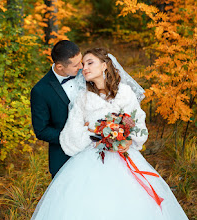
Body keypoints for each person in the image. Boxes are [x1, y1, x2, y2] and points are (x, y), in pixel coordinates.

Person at [31, 48, 189, 220]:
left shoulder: (125, 93)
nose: (84, 68)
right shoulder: (82, 98)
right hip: (91, 160)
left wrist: (128, 139)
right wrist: (92, 134)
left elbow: (139, 123)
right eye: (83, 65)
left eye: (90, 63)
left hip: (124, 157)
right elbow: (71, 136)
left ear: (105, 65)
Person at [30, 40, 83, 178]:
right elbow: (41, 130)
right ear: (59, 66)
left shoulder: (87, 75)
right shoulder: (40, 91)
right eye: (76, 65)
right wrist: (71, 137)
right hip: (63, 158)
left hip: (95, 152)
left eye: (81, 61)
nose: (82, 66)